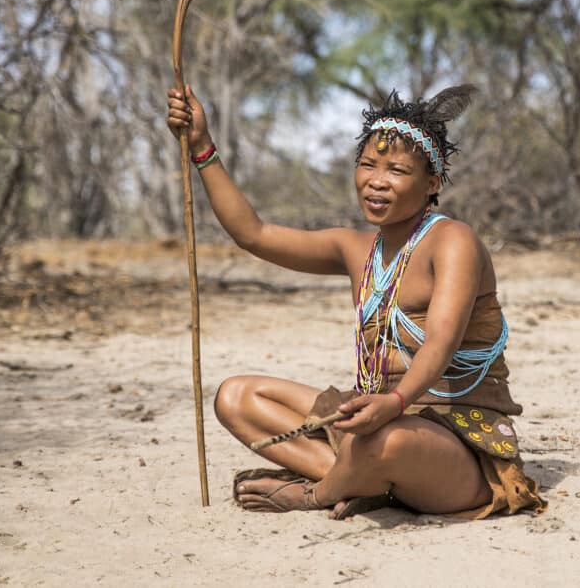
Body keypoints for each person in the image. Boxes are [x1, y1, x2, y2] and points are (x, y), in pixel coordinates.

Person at [166, 83, 545, 519]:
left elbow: (440, 341)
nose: (376, 181)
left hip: (452, 444)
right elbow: (253, 234)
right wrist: (202, 146)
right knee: (235, 397)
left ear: (432, 182)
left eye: (397, 171)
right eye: (367, 165)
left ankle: (318, 493)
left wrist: (395, 403)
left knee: (388, 441)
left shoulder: (453, 241)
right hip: (375, 419)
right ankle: (363, 481)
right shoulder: (355, 249)